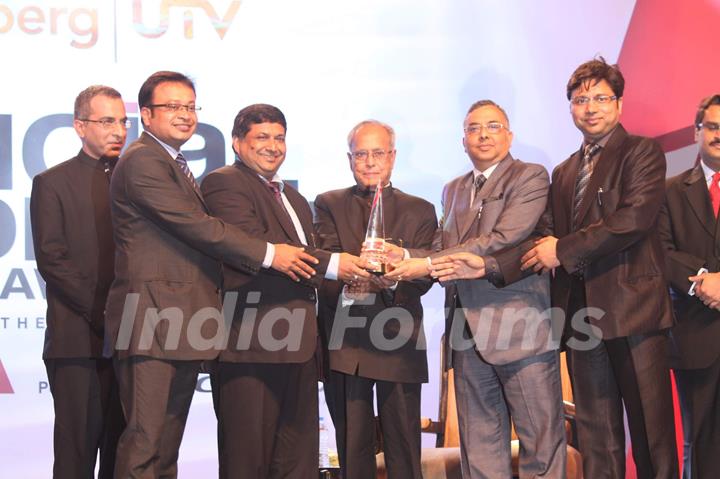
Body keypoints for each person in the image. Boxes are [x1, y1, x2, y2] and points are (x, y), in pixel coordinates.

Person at [451, 58, 678, 479]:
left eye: (600, 98)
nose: (590, 107)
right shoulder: (564, 171)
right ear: (570, 108)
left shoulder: (642, 152)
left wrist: (564, 250)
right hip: (581, 320)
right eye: (580, 99)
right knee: (596, 437)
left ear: (619, 104)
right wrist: (486, 266)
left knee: (651, 434)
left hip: (634, 314)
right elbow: (541, 242)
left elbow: (633, 220)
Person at [104, 72, 319, 478]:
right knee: (146, 445)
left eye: (190, 107)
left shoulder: (172, 162)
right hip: (151, 321)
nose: (184, 115)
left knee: (164, 449)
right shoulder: (143, 161)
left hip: (177, 324)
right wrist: (272, 254)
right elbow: (196, 226)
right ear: (146, 115)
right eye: (172, 107)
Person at [386, 101, 566, 478]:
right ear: (463, 139)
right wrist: (403, 255)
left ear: (509, 135)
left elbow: (502, 240)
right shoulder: (453, 189)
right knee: (479, 449)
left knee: (541, 445)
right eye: (473, 128)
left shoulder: (530, 177)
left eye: (493, 127)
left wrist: (428, 264)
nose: (483, 135)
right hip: (465, 335)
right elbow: (441, 246)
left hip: (520, 331)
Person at [200, 104, 369, 478]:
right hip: (250, 348)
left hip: (300, 349)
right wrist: (337, 264)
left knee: (298, 462)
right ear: (237, 143)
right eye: (262, 137)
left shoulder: (292, 198)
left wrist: (354, 279)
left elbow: (306, 267)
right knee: (248, 461)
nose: (273, 146)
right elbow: (259, 247)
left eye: (279, 137)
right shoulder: (223, 183)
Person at [313, 120, 437, 478]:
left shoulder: (421, 209)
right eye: (361, 154)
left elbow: (427, 274)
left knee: (404, 450)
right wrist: (360, 277)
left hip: (398, 339)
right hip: (347, 342)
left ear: (393, 157)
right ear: (350, 158)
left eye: (378, 153)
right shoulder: (328, 204)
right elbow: (325, 263)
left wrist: (395, 274)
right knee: (353, 450)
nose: (369, 162)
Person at [30, 85, 127, 479]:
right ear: (80, 126)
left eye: (123, 121)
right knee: (76, 455)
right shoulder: (52, 183)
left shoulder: (135, 183)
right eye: (107, 121)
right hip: (77, 342)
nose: (119, 130)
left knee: (124, 456)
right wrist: (107, 313)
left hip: (132, 344)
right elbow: (52, 259)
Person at [658, 93, 720, 479]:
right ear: (697, 131)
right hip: (696, 334)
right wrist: (704, 284)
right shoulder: (669, 190)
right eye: (712, 127)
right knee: (700, 446)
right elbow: (661, 254)